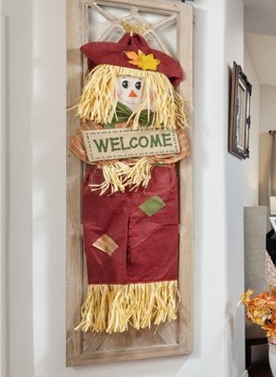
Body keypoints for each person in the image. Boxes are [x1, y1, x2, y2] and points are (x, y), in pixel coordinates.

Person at [68, 25, 190, 333]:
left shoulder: (166, 131)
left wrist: (175, 145)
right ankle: (111, 301)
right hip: (107, 192)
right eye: (125, 84)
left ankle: (150, 299)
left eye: (138, 85)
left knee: (152, 233)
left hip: (154, 197)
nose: (132, 92)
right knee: (105, 238)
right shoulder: (95, 128)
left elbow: (173, 149)